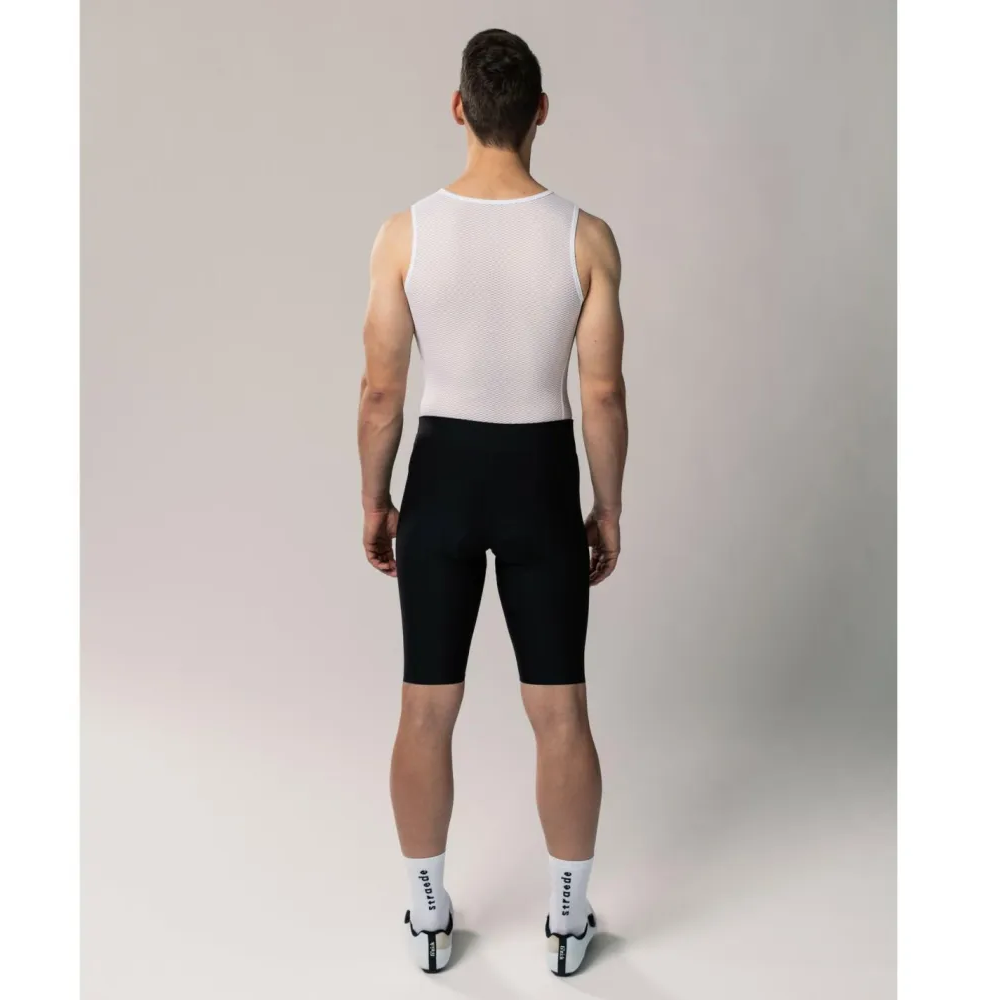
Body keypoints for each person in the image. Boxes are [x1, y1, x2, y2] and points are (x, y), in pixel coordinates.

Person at [356, 27, 627, 977]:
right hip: (540, 478)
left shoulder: (405, 233)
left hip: (441, 477)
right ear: (540, 111)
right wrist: (607, 507)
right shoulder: (585, 237)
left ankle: (429, 914)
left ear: (459, 108)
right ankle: (568, 920)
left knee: (426, 707)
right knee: (561, 711)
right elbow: (603, 392)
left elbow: (381, 391)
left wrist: (376, 499)